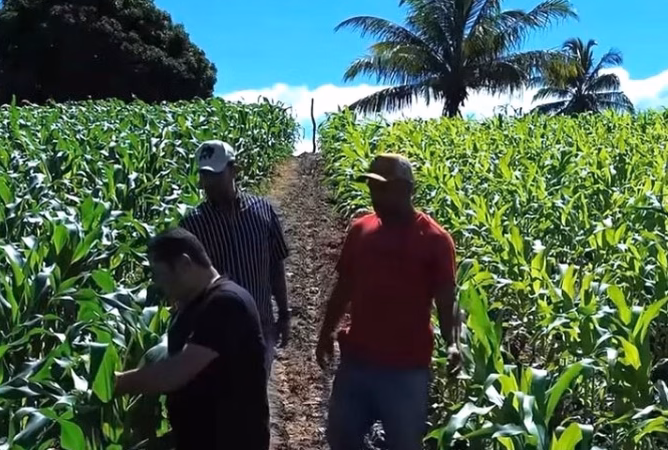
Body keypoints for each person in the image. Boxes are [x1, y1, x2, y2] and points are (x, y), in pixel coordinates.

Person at [315, 153, 461, 450]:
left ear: (406, 189)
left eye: (382, 188)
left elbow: (447, 301)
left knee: (404, 443)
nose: (374, 195)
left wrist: (454, 344)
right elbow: (344, 287)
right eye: (371, 187)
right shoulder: (361, 230)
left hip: (406, 369)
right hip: (357, 361)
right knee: (340, 437)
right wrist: (326, 331)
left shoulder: (435, 240)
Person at [114, 227, 269, 450]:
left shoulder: (226, 303)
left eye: (161, 274)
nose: (158, 283)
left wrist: (115, 384)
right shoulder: (199, 302)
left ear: (185, 264)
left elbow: (175, 373)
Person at [178, 139, 290, 376]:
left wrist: (284, 314)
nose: (209, 183)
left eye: (216, 174)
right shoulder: (192, 225)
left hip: (260, 327)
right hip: (216, 336)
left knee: (256, 392)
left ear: (234, 170)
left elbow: (276, 264)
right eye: (205, 175)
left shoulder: (263, 210)